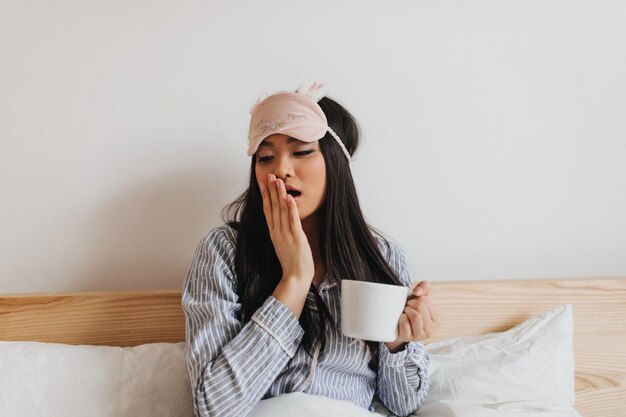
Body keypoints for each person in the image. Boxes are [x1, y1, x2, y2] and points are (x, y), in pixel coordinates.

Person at [182, 81, 439, 417]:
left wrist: (399, 342)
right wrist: (294, 279)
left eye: (301, 151)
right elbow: (214, 407)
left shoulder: (383, 256)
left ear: (336, 164)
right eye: (265, 157)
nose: (280, 170)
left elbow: (403, 405)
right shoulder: (223, 251)